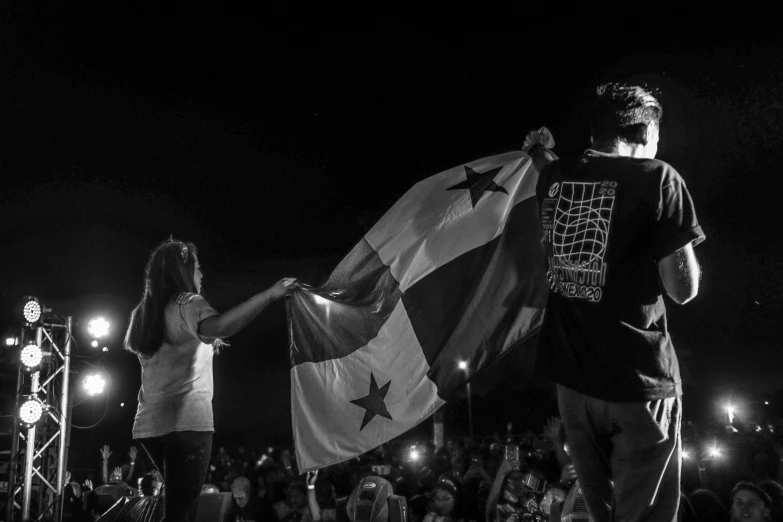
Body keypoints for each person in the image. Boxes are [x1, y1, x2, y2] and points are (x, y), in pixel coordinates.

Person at [532, 83, 705, 521]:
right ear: (644, 131)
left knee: (599, 514)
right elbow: (682, 290)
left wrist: (538, 150)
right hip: (636, 383)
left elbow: (559, 169)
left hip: (572, 382)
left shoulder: (553, 178)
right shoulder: (659, 178)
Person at [124, 238, 296, 522]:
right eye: (198, 267)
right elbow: (222, 327)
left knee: (176, 506)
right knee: (181, 514)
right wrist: (269, 295)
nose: (202, 274)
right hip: (186, 423)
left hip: (148, 426)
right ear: (183, 270)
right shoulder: (186, 302)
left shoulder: (143, 313)